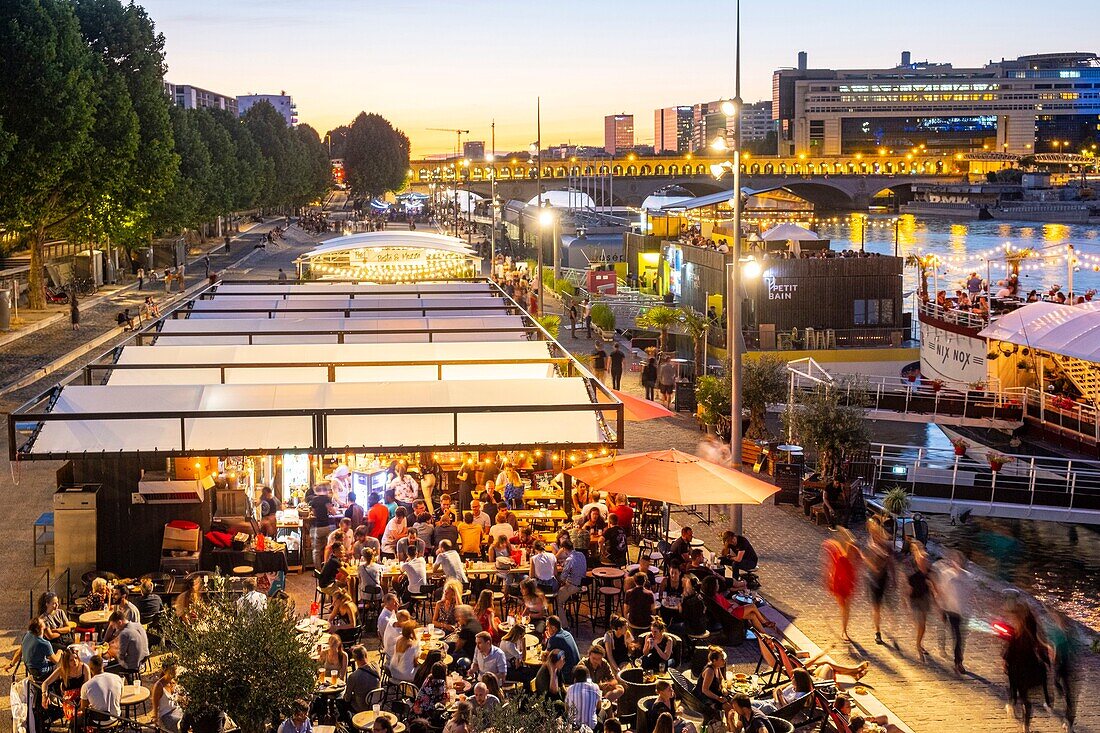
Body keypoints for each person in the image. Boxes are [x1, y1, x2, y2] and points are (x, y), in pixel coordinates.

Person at [933, 549, 970, 675]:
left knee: (959, 637)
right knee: (950, 632)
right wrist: (940, 606)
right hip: (950, 609)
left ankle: (958, 661)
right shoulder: (946, 574)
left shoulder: (967, 576)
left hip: (962, 611)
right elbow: (941, 591)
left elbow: (970, 593)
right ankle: (944, 648)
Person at [822, 529, 859, 642]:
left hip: (848, 584)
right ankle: (844, 630)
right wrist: (832, 585)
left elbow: (854, 573)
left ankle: (844, 630)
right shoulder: (842, 559)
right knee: (844, 607)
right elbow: (835, 572)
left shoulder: (854, 559)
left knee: (846, 608)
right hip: (840, 585)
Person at [862, 519, 894, 646]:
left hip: (884, 576)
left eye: (874, 527)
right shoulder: (870, 544)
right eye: (871, 528)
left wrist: (894, 576)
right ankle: (877, 632)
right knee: (876, 607)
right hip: (873, 578)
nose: (873, 530)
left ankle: (889, 625)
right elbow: (864, 557)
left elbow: (890, 561)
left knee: (887, 604)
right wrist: (873, 566)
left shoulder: (886, 543)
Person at [907, 541, 934, 661]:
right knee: (921, 624)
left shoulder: (928, 570)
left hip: (924, 597)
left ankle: (919, 643)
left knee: (923, 626)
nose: (925, 562)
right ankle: (918, 645)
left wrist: (935, 593)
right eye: (923, 560)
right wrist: (905, 601)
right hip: (915, 598)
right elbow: (908, 587)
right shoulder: (913, 568)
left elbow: (932, 581)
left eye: (926, 561)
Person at [79, 655, 122, 725]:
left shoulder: (86, 686)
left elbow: (84, 709)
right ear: (103, 665)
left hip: (98, 721)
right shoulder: (117, 678)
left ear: (90, 669)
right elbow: (119, 699)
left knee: (74, 722)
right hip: (116, 717)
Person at [104, 610, 148, 678]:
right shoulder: (138, 625)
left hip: (132, 664)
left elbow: (121, 656)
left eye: (114, 626)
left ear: (119, 622)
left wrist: (110, 653)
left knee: (105, 668)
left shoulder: (124, 633)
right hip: (144, 658)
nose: (114, 628)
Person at [345, 645, 380, 713]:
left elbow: (347, 698)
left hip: (361, 707)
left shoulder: (353, 676)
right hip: (376, 703)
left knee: (341, 702)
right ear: (366, 655)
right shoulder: (376, 667)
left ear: (355, 659)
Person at [565, 665, 602, 731]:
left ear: (575, 678)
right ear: (587, 677)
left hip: (574, 727)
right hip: (591, 727)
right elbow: (599, 707)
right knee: (603, 712)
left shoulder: (570, 689)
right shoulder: (595, 687)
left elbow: (567, 709)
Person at [309, 483, 337, 569]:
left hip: (317, 527)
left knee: (316, 550)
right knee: (329, 548)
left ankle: (317, 570)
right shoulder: (327, 499)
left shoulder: (313, 500)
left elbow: (314, 513)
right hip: (328, 527)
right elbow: (332, 511)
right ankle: (328, 568)